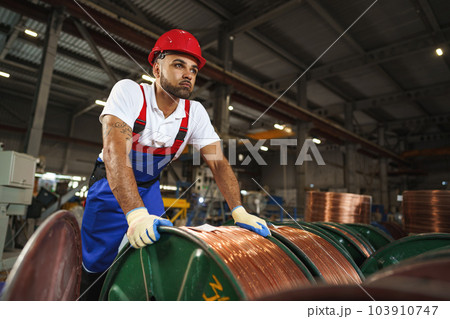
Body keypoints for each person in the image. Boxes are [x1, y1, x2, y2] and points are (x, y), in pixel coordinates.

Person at [79, 29, 270, 300]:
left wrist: (238, 210)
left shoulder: (195, 114)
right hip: (109, 187)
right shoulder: (130, 93)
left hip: (149, 188)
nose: (188, 74)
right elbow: (115, 154)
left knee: (161, 252)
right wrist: (135, 215)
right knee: (97, 265)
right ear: (156, 68)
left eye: (193, 69)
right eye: (178, 64)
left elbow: (219, 164)